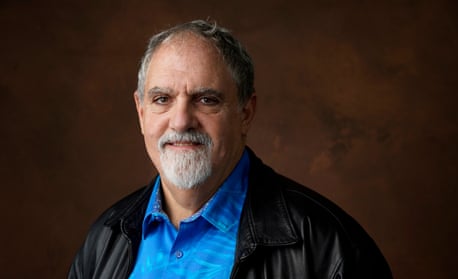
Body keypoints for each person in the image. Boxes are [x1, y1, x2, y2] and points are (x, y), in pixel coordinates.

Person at [68, 20, 392, 279]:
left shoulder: (329, 247)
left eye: (206, 100)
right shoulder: (105, 237)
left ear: (245, 113)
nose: (180, 122)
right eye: (162, 100)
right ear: (141, 113)